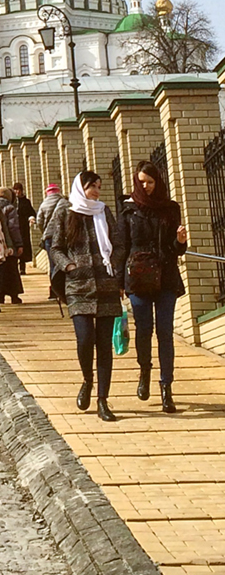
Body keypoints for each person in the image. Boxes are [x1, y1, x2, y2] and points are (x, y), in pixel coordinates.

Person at [47, 171, 124, 423]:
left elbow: (119, 243)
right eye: (93, 187)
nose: (97, 191)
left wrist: (113, 264)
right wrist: (69, 266)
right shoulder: (65, 211)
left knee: (104, 344)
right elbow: (54, 245)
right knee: (84, 339)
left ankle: (103, 399)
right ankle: (87, 381)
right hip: (78, 287)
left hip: (106, 286)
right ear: (82, 187)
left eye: (100, 187)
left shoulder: (104, 211)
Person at [121, 160, 188, 413]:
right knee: (144, 329)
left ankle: (166, 387)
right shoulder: (128, 210)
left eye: (150, 182)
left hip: (166, 277)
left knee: (165, 332)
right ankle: (144, 370)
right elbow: (122, 246)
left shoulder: (170, 209)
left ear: (158, 182)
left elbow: (176, 249)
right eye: (141, 182)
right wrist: (119, 282)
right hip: (138, 278)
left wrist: (180, 240)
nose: (146, 186)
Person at [36, 182, 65, 298]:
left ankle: (53, 291)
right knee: (62, 261)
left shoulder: (44, 204)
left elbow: (39, 221)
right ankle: (63, 288)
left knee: (52, 264)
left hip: (49, 237)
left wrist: (45, 231)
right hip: (62, 236)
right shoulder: (64, 202)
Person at [0, 188, 24, 304]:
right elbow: (13, 227)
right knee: (12, 269)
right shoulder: (10, 208)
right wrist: (19, 244)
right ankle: (14, 295)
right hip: (9, 243)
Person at [12, 182, 36, 275]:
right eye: (15, 190)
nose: (17, 192)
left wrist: (31, 218)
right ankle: (14, 268)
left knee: (23, 247)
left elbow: (31, 212)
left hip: (23, 228)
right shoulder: (12, 202)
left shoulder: (26, 201)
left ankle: (22, 268)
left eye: (18, 190)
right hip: (14, 228)